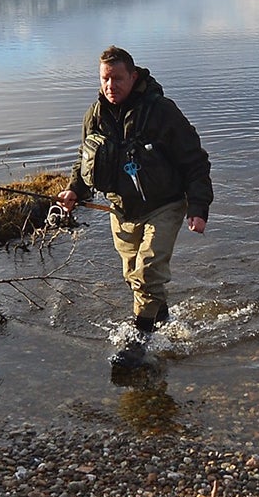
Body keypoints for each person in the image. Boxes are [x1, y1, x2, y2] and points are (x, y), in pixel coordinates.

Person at [58, 46, 212, 334]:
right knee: (133, 276)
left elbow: (196, 161)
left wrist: (198, 208)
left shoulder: (162, 111)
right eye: (105, 78)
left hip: (164, 205)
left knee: (147, 274)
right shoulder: (94, 115)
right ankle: (163, 320)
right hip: (120, 210)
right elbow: (84, 157)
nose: (110, 86)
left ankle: (139, 340)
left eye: (117, 78)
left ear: (134, 76)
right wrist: (74, 190)